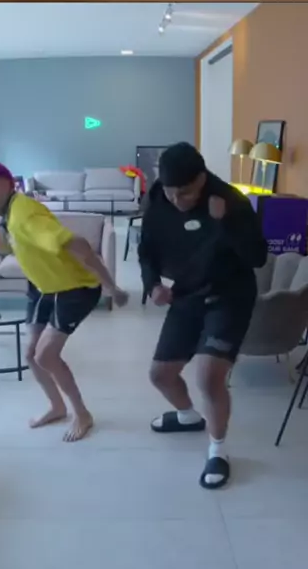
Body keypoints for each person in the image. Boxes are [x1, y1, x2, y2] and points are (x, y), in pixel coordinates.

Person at [0, 158, 129, 442]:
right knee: (32, 355)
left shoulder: (25, 215)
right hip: (43, 287)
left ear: (8, 185)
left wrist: (112, 287)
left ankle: (82, 414)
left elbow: (78, 244)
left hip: (74, 288)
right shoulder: (11, 213)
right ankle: (57, 407)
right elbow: (30, 247)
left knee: (46, 355)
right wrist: (4, 246)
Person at [138, 142, 267, 489]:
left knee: (209, 377)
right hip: (188, 294)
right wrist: (152, 285)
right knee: (160, 375)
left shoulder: (231, 201)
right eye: (171, 192)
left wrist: (226, 223)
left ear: (202, 178)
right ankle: (187, 416)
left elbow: (257, 257)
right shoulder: (158, 199)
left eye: (185, 193)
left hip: (230, 296)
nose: (177, 200)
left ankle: (218, 450)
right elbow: (146, 251)